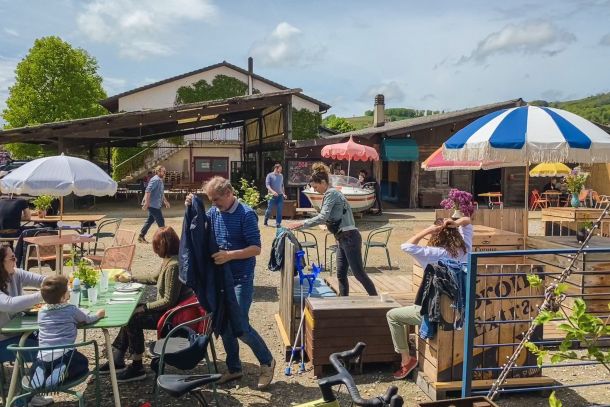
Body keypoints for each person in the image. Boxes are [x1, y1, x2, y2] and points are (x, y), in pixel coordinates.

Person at [185, 176, 275, 389]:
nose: (214, 204)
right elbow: (201, 224)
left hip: (241, 279)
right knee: (224, 323)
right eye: (211, 200)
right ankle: (234, 368)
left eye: (216, 199)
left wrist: (229, 255)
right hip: (221, 279)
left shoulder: (246, 214)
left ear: (228, 193)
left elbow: (256, 248)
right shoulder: (215, 212)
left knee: (240, 325)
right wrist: (191, 205)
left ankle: (267, 361)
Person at [386, 216, 472, 380]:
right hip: (461, 312)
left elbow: (406, 246)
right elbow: (467, 220)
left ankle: (406, 360)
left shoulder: (432, 254)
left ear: (436, 235)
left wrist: (428, 230)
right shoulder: (466, 249)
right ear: (457, 234)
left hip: (437, 314)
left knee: (393, 316)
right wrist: (456, 223)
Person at [103, 226, 193, 382]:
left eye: (156, 246)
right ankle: (118, 357)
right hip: (168, 310)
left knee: (133, 319)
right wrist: (131, 278)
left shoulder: (174, 265)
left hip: (171, 316)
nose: (155, 250)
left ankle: (137, 366)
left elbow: (168, 301)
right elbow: (154, 278)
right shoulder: (169, 259)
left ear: (164, 245)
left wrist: (144, 308)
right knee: (131, 311)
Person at [288, 163, 378, 296]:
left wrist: (301, 223)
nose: (315, 190)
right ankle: (344, 302)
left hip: (349, 238)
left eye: (316, 187)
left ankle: (376, 299)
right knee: (340, 274)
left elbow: (322, 216)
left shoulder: (331, 193)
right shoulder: (333, 193)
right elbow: (334, 217)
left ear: (323, 182)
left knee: (359, 274)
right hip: (343, 238)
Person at [0, 245, 53, 406]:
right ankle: (22, 399)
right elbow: (9, 304)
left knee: (53, 343)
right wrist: (42, 295)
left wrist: (59, 283)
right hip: (3, 342)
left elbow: (42, 280)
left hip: (18, 333)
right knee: (47, 353)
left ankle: (29, 393)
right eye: (12, 258)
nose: (16, 260)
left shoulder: (15, 273)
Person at [32, 275, 104, 389]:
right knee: (83, 364)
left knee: (43, 363)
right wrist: (99, 315)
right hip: (65, 355)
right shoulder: (71, 309)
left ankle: (41, 371)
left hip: (43, 356)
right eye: (68, 289)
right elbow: (87, 319)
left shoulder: (41, 312)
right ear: (63, 297)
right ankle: (63, 372)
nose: (70, 290)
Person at [138, 166, 170, 244]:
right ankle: (164, 241)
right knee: (161, 221)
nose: (165, 173)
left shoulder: (160, 180)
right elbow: (148, 191)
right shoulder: (155, 180)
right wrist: (146, 203)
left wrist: (165, 201)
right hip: (153, 205)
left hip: (156, 204)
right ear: (158, 171)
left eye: (165, 171)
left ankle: (141, 236)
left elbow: (161, 193)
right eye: (163, 171)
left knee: (150, 220)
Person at [264, 163, 287, 228]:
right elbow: (267, 185)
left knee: (279, 209)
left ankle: (278, 223)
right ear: (276, 168)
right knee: (269, 209)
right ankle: (266, 219)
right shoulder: (269, 175)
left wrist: (284, 194)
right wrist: (273, 192)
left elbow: (282, 186)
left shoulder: (281, 176)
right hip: (271, 195)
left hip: (280, 196)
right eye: (280, 169)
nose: (281, 170)